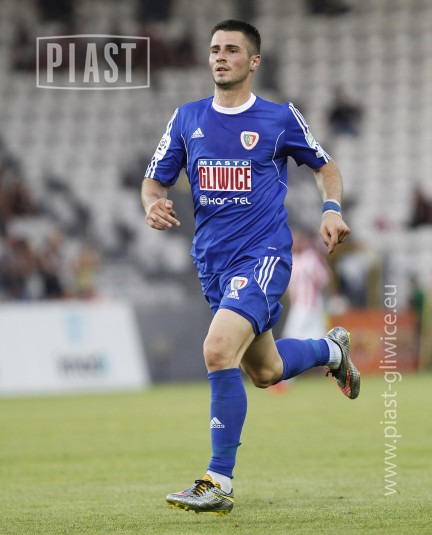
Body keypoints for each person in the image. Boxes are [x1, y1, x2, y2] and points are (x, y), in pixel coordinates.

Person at [141, 19, 360, 515]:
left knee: (217, 349)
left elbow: (325, 166)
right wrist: (152, 204)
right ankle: (331, 350)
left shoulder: (279, 118)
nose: (220, 57)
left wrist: (331, 209)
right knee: (265, 371)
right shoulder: (187, 118)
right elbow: (154, 181)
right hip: (212, 264)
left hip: (262, 257)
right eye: (214, 49)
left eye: (231, 50)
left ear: (253, 61)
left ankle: (218, 480)